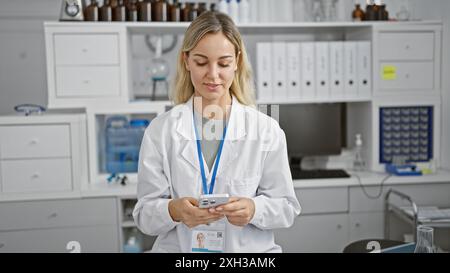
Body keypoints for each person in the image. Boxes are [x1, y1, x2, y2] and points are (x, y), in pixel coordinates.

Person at [133, 11, 301, 253]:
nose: (213, 74)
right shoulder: (161, 131)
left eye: (223, 63)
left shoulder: (265, 130)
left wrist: (254, 209)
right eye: (201, 62)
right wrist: (174, 210)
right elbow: (144, 215)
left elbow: (286, 208)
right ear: (186, 61)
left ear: (237, 62)